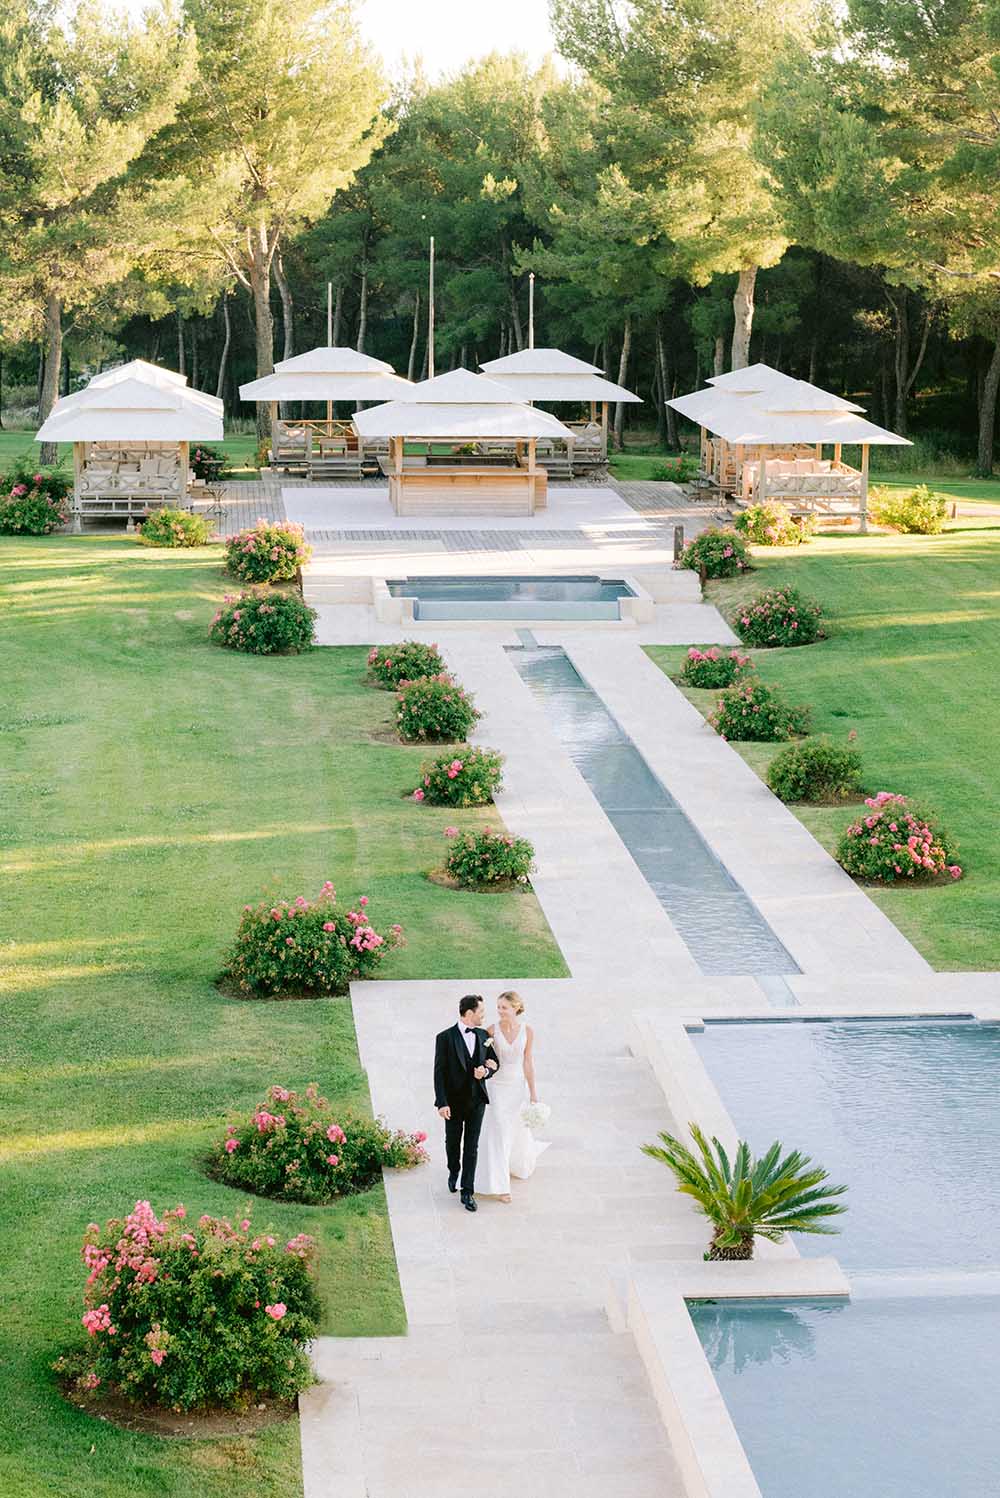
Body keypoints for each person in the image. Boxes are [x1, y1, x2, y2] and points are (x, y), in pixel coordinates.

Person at [476, 991, 548, 1202]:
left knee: (515, 1128)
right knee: (499, 1129)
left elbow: (528, 1062)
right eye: (498, 1007)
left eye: (504, 1007)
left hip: (517, 1087)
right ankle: (500, 1185)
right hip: (497, 1087)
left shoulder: (528, 1031)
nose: (499, 1011)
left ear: (516, 1008)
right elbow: (482, 1058)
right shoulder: (491, 1031)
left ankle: (514, 1164)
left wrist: (533, 1092)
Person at [433, 994, 498, 1213]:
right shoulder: (444, 1038)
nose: (483, 1016)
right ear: (469, 1013)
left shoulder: (482, 1035)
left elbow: (494, 1061)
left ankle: (467, 1191)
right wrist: (441, 1103)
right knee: (452, 1142)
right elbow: (439, 1073)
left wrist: (486, 1071)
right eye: (481, 1012)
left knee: (472, 1147)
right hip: (453, 1102)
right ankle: (454, 1171)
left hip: (477, 1101)